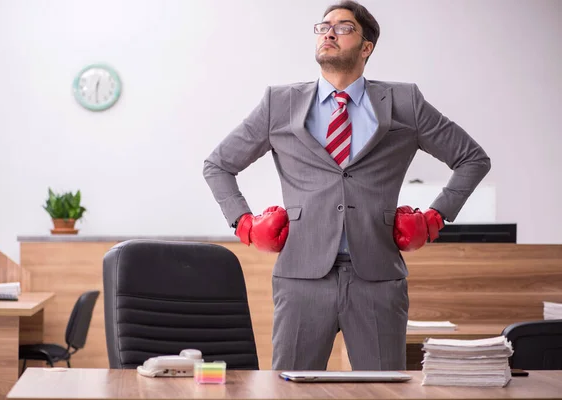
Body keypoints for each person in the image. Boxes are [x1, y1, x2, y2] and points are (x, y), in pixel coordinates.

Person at [203, 0, 490, 371]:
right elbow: (218, 164)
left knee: (384, 392)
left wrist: (435, 218)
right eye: (323, 26)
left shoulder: (404, 103)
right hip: (301, 278)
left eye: (342, 27)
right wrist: (243, 223)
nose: (328, 32)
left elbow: (473, 159)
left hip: (378, 278)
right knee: (290, 392)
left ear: (366, 46)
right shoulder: (280, 103)